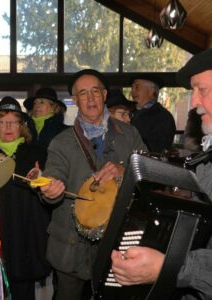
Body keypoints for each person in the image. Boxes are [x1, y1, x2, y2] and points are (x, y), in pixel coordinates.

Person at [111, 48, 212, 300]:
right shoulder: (205, 156)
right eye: (194, 92)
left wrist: (168, 267)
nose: (195, 103)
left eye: (203, 90)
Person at [38, 69, 146, 300]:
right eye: (83, 93)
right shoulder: (61, 142)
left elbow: (150, 176)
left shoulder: (130, 134)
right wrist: (50, 190)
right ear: (75, 100)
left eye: (95, 91)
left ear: (104, 94)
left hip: (119, 244)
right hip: (70, 245)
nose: (90, 98)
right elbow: (52, 177)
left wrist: (125, 170)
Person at [0, 96, 51, 300]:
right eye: (2, 121)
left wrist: (41, 182)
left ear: (22, 125)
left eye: (14, 121)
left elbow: (50, 195)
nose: (8, 127)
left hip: (25, 242)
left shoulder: (37, 154)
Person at [130, 75, 176, 153]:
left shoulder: (163, 117)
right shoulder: (129, 112)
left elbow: (159, 148)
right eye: (132, 88)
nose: (132, 92)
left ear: (151, 91)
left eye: (137, 87)